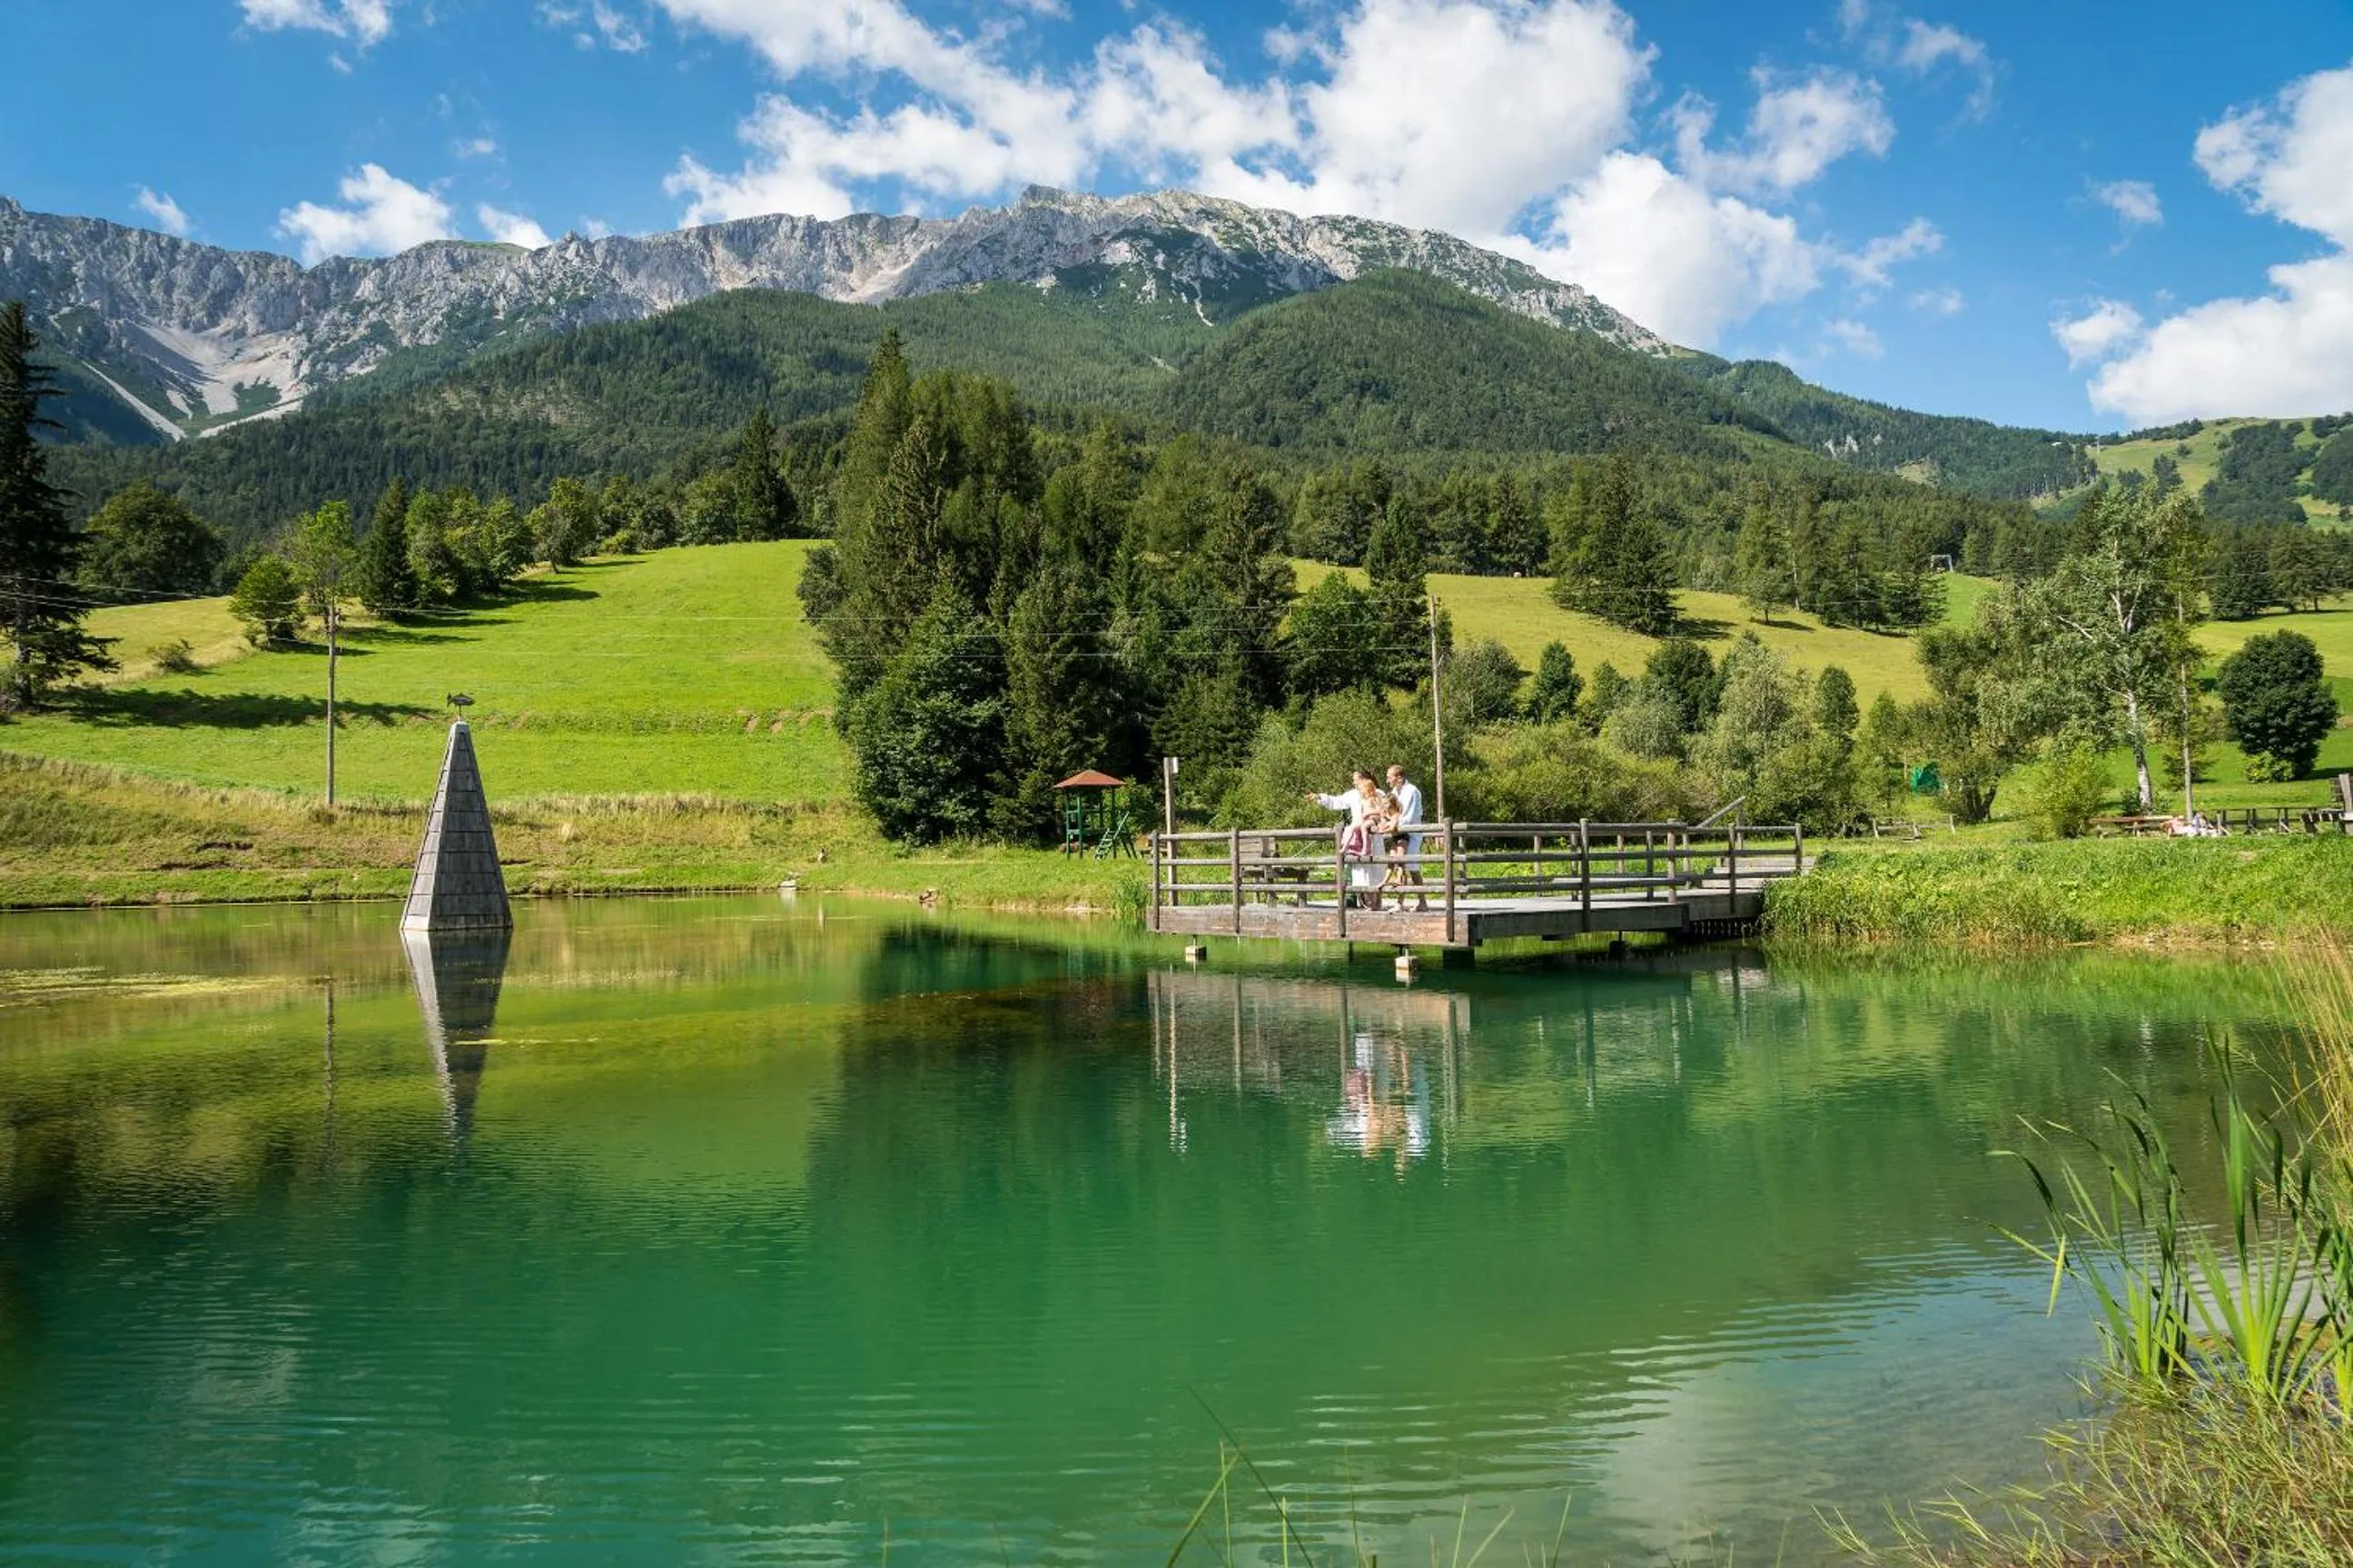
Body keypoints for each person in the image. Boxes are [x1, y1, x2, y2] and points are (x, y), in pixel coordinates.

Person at [1309, 770, 1392, 909]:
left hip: (1374, 836)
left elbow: (1387, 809)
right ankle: (1368, 904)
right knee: (1362, 871)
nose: (1354, 782)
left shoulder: (1378, 793)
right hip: (1359, 835)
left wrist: (1381, 820)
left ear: (1364, 779)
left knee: (1376, 869)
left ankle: (1377, 904)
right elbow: (1337, 801)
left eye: (1355, 779)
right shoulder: (1353, 795)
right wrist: (1320, 797)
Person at [1386, 764, 1428, 911]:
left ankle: (1418, 902)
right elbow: (1392, 811)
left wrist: (1392, 824)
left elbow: (1408, 817)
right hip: (1399, 832)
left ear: (1399, 777)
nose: (1387, 780)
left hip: (1412, 833)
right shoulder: (1394, 792)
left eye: (1389, 777)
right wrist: (1388, 822)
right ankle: (1404, 902)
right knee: (1402, 865)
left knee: (1411, 867)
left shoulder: (1412, 791)